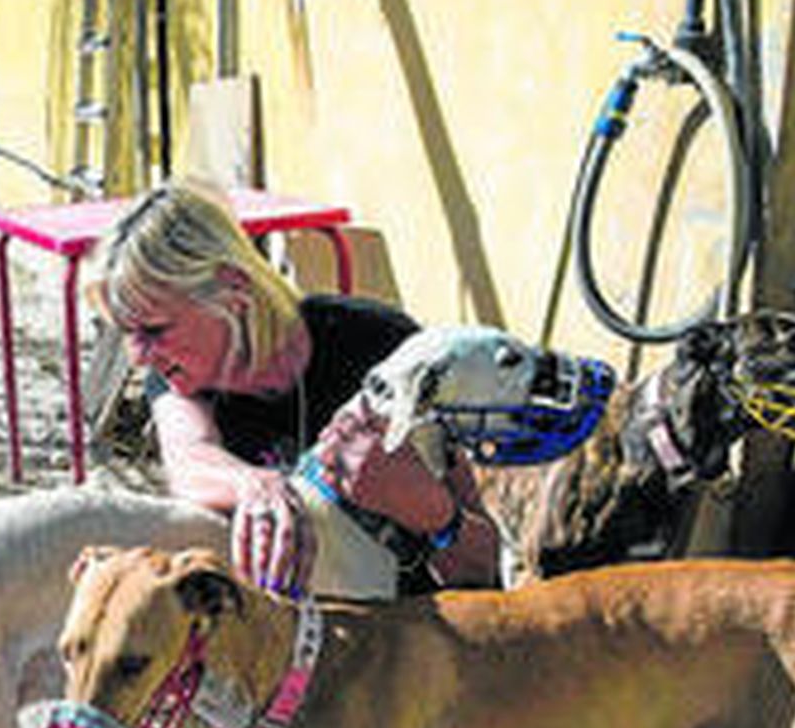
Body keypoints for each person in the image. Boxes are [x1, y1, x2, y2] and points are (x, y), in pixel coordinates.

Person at [92, 177, 497, 596]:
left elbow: (484, 567)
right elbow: (190, 459)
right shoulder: (182, 379)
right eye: (128, 333)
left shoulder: (380, 347)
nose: (138, 356)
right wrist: (258, 484)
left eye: (154, 330)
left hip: (410, 634)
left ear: (232, 288)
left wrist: (430, 511)